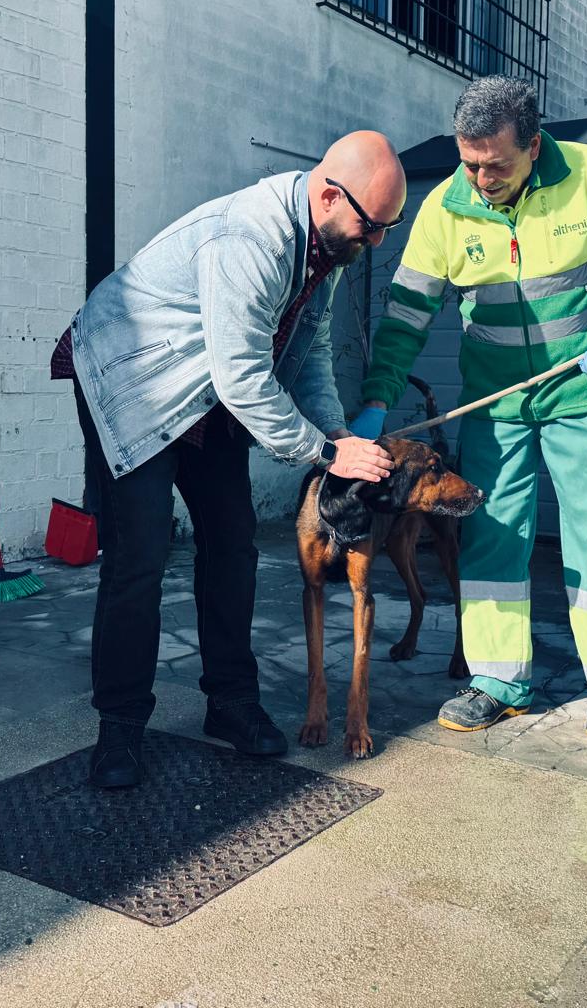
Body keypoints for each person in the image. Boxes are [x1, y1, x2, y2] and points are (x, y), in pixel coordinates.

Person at [53, 132, 403, 787]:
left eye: (389, 228)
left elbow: (310, 353)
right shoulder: (252, 240)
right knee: (141, 555)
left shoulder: (324, 249)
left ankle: (231, 704)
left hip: (204, 386)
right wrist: (325, 450)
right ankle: (121, 728)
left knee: (234, 545)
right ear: (330, 195)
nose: (376, 242)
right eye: (372, 225)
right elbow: (244, 376)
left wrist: (336, 436)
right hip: (134, 379)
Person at [350, 77, 587, 743]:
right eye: (470, 163)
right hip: (495, 405)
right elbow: (407, 314)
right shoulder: (446, 207)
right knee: (492, 532)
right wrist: (379, 398)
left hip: (584, 394)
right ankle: (499, 679)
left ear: (533, 144)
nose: (481, 177)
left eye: (496, 164)